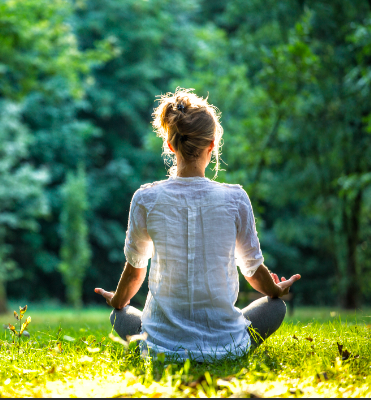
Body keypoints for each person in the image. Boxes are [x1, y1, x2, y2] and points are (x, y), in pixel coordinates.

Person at [94, 88, 301, 362]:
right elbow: (252, 271)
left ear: (170, 145)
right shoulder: (235, 198)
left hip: (161, 350)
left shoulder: (145, 198)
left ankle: (157, 341)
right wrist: (276, 290)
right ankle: (228, 347)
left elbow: (135, 272)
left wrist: (117, 300)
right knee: (276, 309)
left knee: (118, 315)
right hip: (226, 346)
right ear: (211, 145)